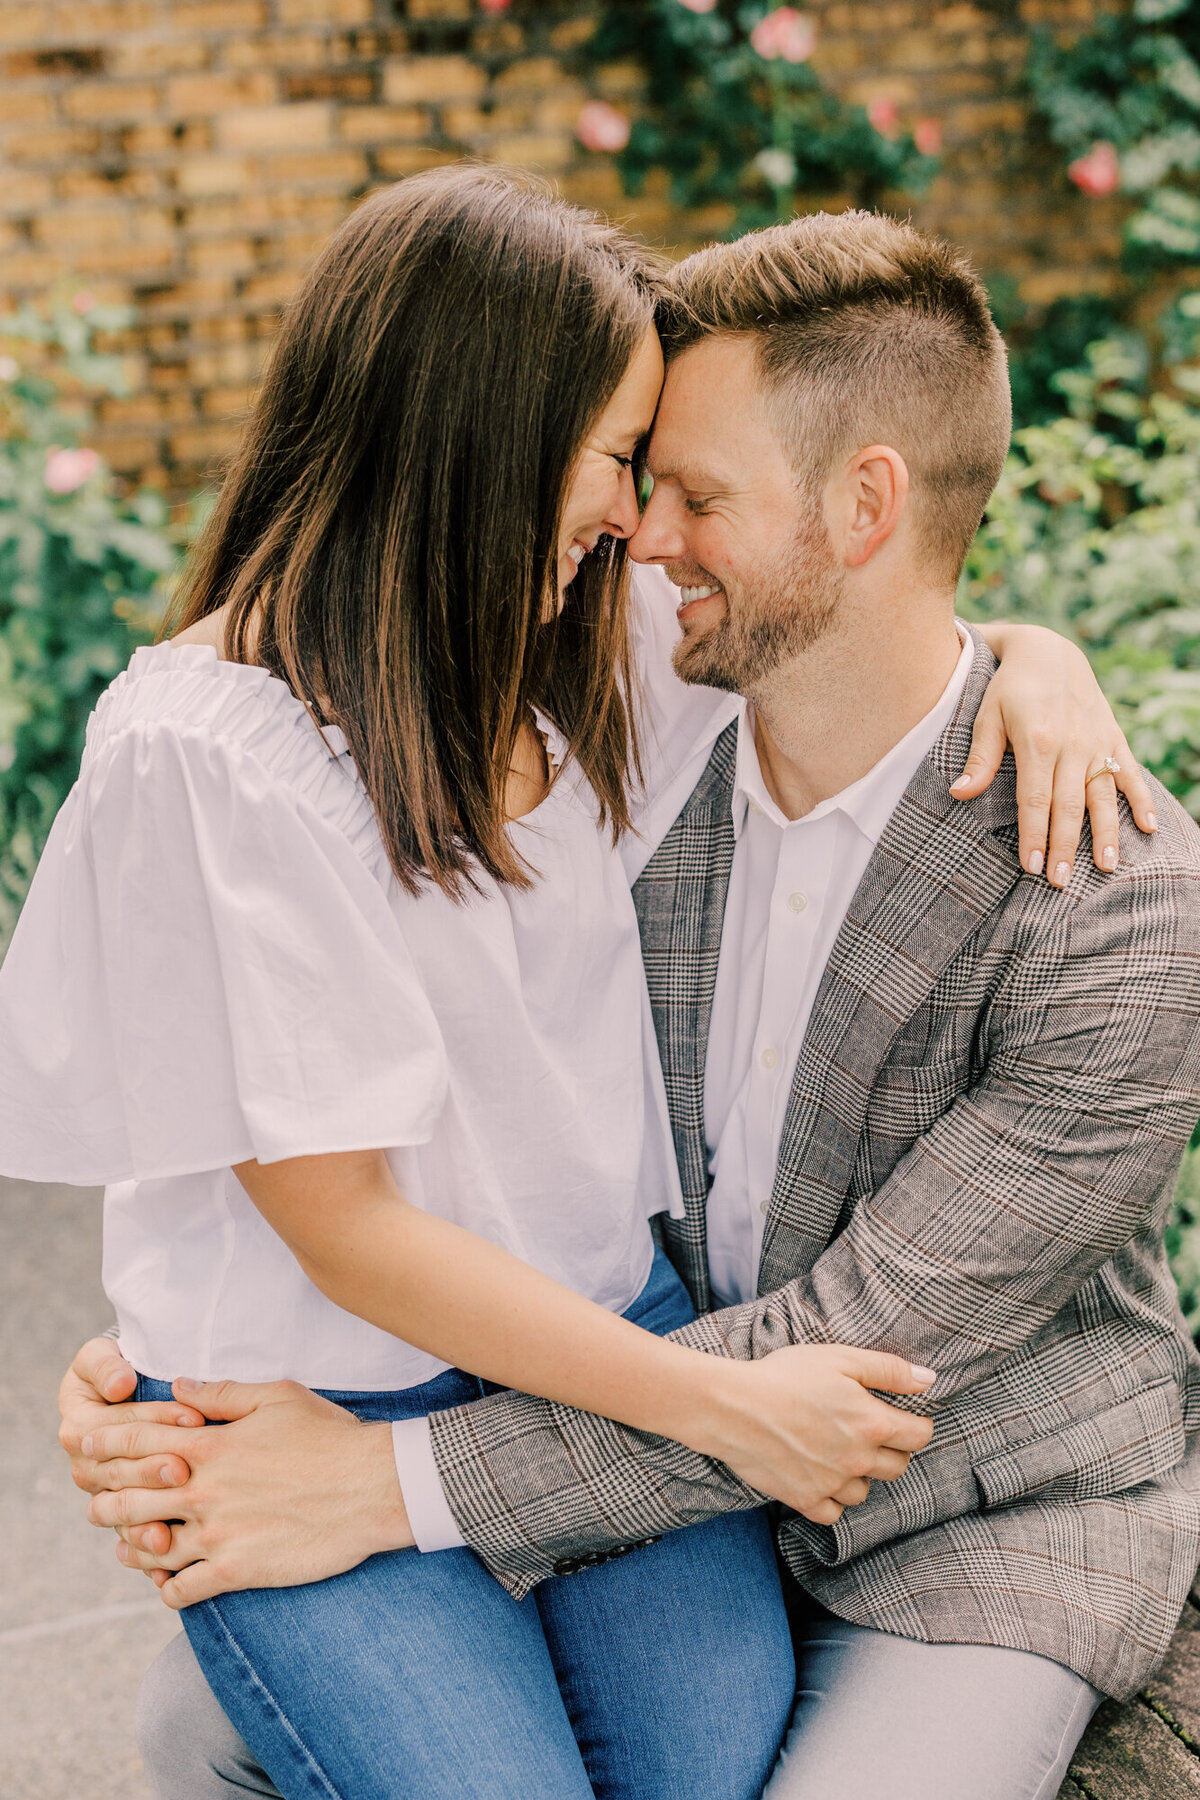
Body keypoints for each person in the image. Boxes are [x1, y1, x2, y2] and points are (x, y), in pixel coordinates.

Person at [46, 196, 1162, 1800]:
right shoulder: (220, 750)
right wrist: (709, 1408)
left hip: (716, 1393)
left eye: (668, 475)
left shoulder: (589, 651)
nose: (645, 524)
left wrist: (1040, 664)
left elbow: (880, 614)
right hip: (356, 1370)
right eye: (627, 459)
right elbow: (333, 1215)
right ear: (485, 433)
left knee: (695, 1774)